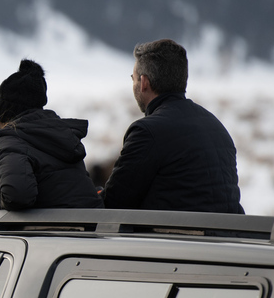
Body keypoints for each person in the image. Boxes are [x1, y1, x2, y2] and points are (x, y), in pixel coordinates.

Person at [102, 39, 244, 213]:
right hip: (229, 236)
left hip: (175, 238)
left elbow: (113, 205)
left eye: (133, 79)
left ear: (144, 82)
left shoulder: (148, 132)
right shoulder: (217, 127)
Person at [0, 59, 103, 212]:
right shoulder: (58, 135)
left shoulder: (9, 142)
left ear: (0, 116)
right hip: (88, 226)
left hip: (55, 232)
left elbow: (16, 196)